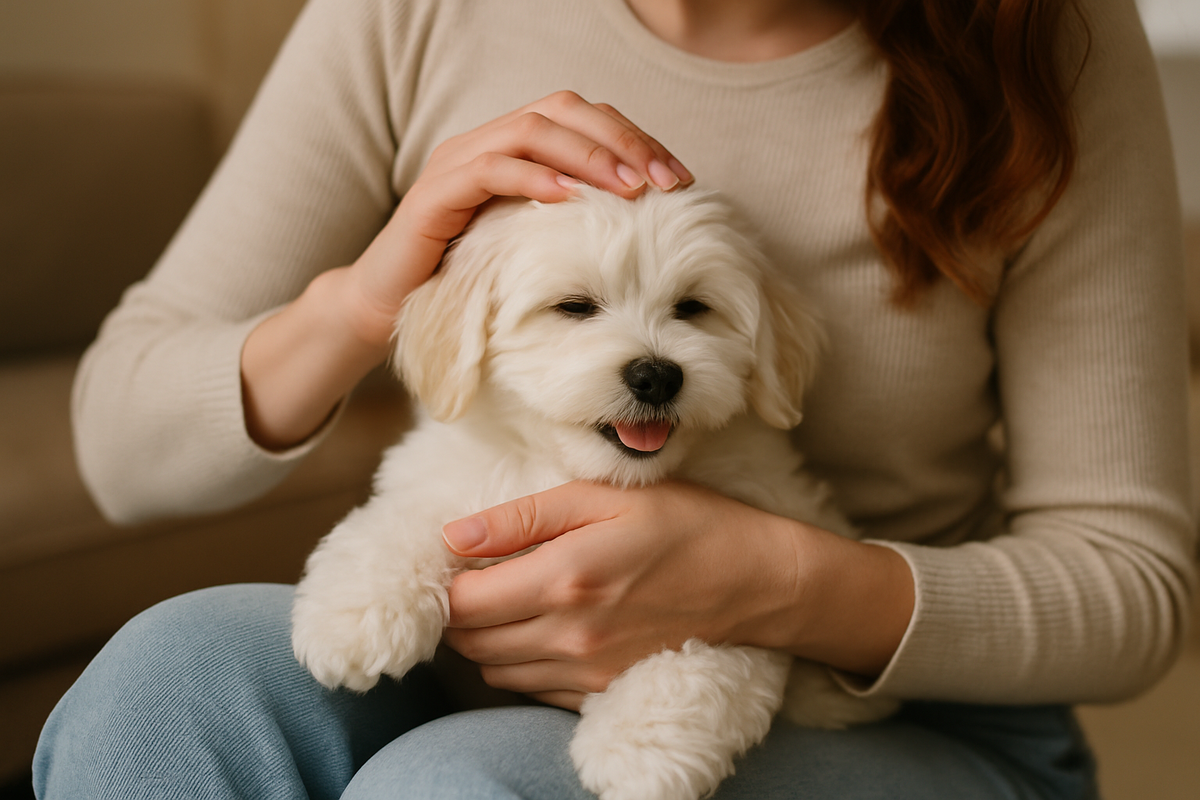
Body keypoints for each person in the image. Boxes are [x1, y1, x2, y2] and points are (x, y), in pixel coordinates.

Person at [33, 0, 1196, 797]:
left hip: (906, 721)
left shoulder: (1044, 37)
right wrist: (371, 294)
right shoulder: (411, 12)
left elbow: (1132, 584)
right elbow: (123, 448)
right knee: (162, 681)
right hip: (467, 656)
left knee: (458, 783)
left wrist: (776, 582)